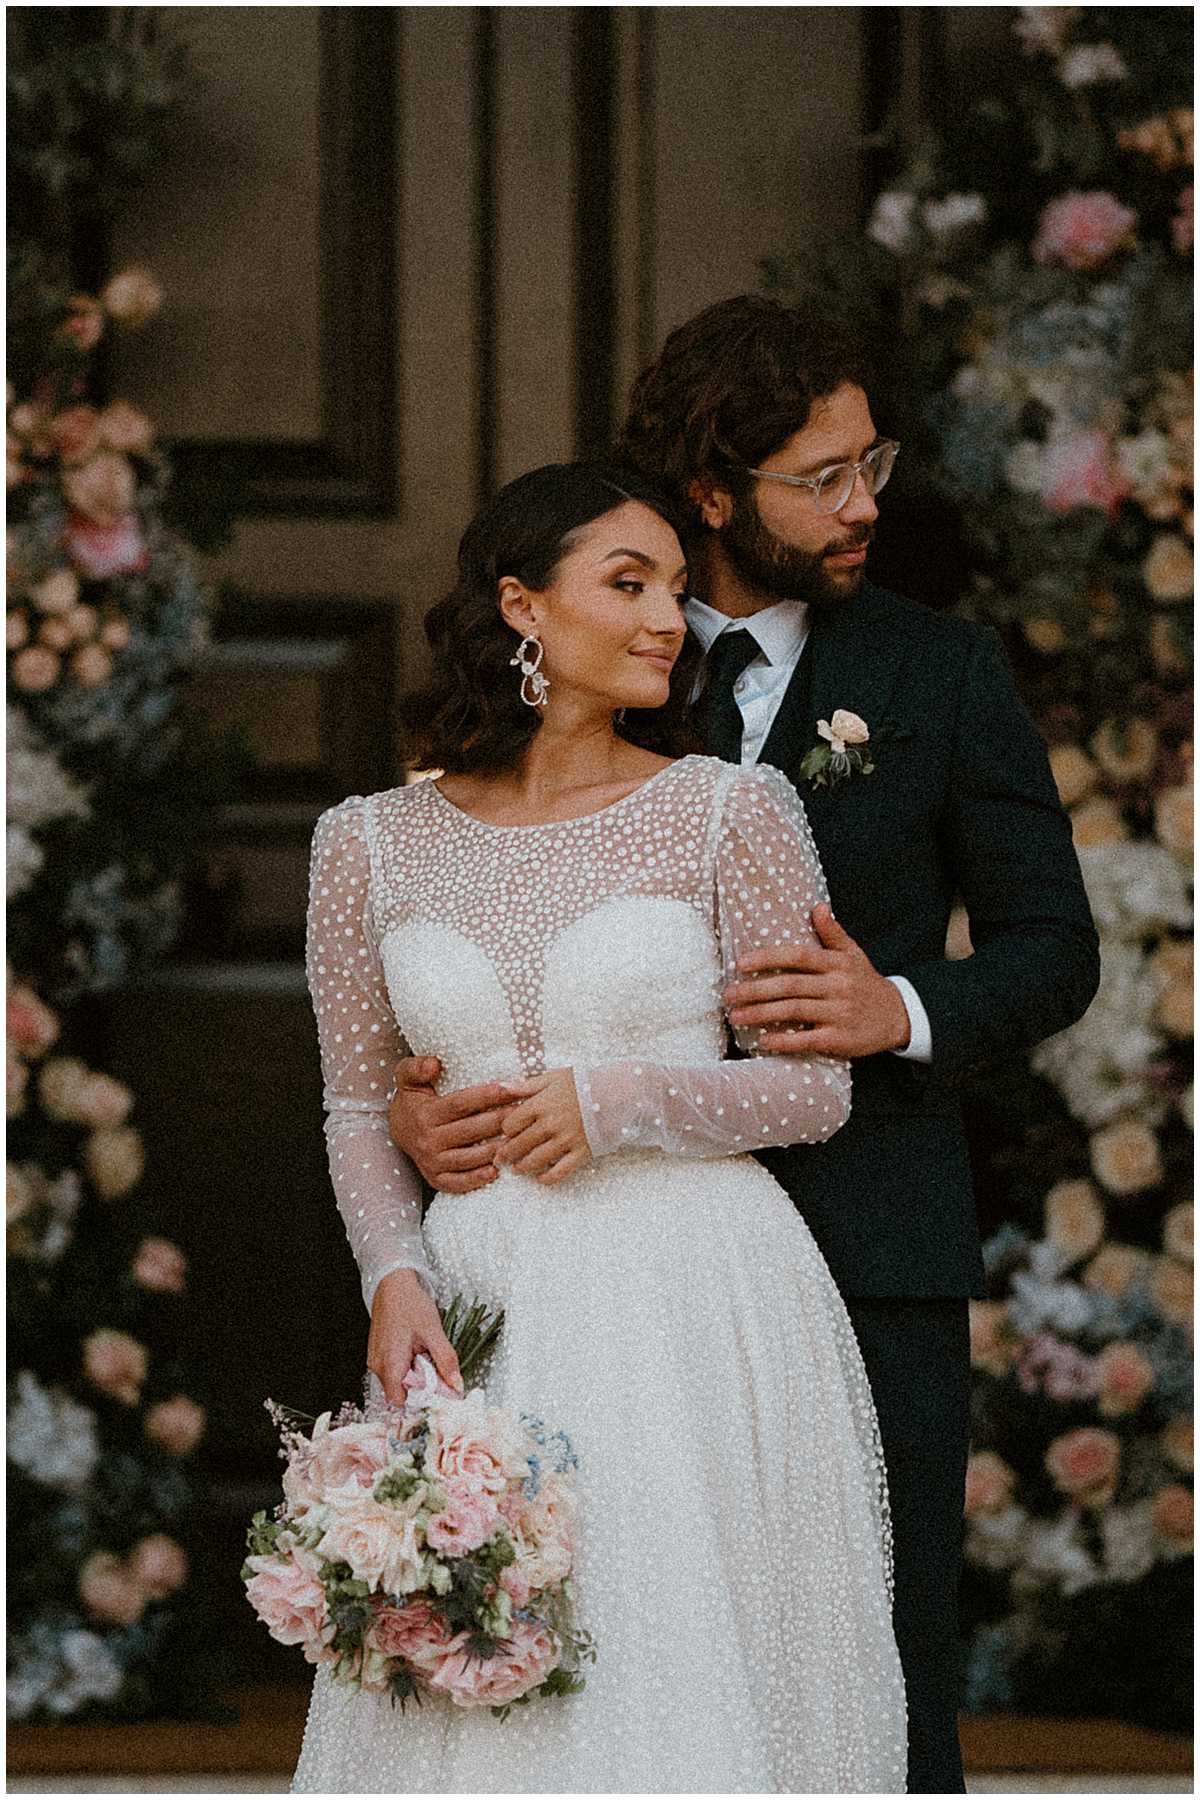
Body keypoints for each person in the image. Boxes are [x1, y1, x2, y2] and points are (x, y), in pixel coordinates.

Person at [386, 299, 1101, 1793]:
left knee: (873, 1669)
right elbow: (469, 895)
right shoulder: (582, 656)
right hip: (587, 1264)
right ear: (715, 491)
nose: (865, 506)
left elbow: (1054, 948)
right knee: (599, 1651)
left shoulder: (937, 671)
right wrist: (428, 1092)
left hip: (867, 1237)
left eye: (873, 464)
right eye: (821, 479)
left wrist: (895, 1009)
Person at [291, 461, 907, 1794]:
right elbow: (355, 1100)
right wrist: (393, 1275)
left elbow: (815, 1088)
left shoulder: (728, 812)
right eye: (626, 584)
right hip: (483, 1300)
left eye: (676, 592)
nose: (662, 621)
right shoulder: (369, 844)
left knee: (678, 1664)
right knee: (481, 1681)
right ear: (521, 604)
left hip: (694, 1296)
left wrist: (617, 1103)